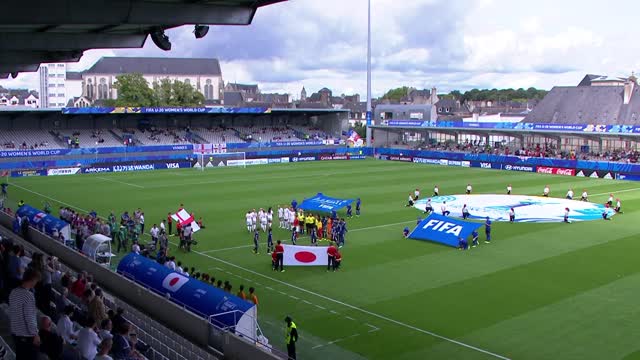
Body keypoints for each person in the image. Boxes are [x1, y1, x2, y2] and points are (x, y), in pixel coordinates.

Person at [9, 267, 41, 360]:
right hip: (26, 337)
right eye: (36, 281)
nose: (36, 283)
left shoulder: (13, 292)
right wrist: (35, 334)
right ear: (32, 279)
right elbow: (30, 318)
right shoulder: (28, 296)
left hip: (15, 334)